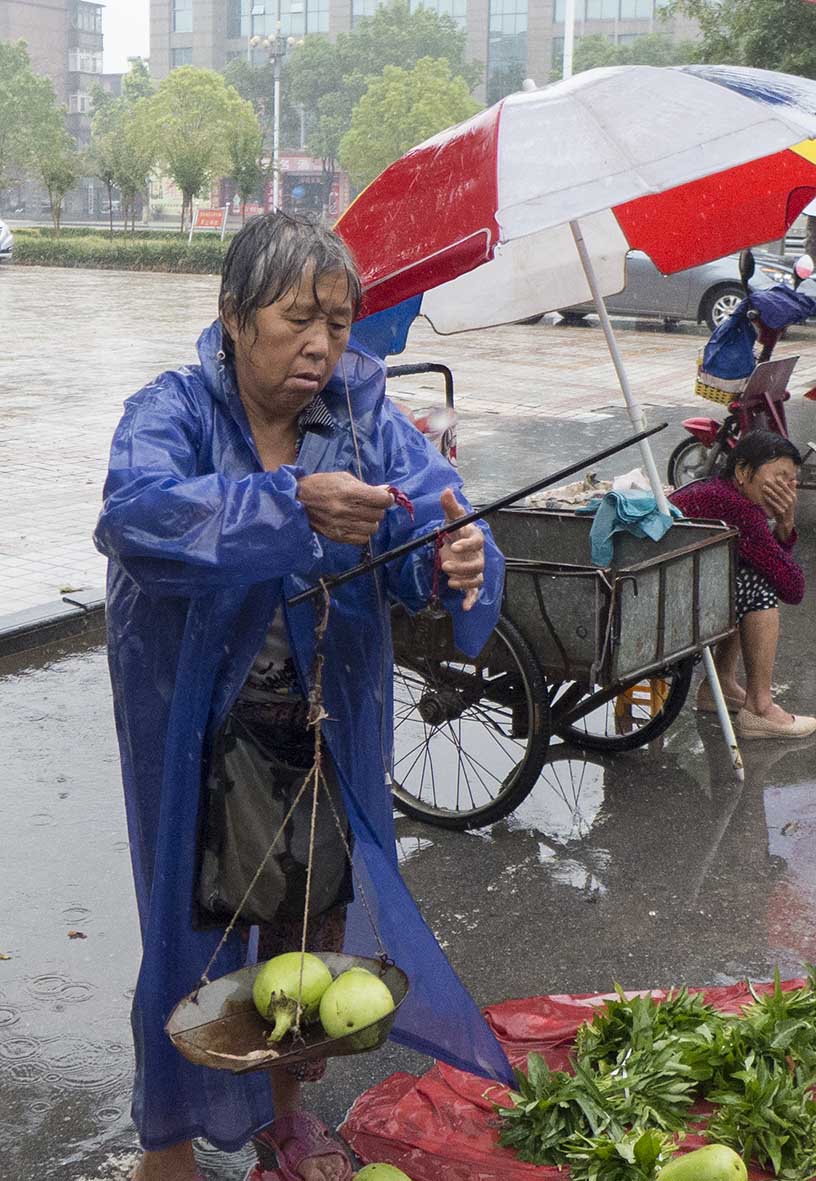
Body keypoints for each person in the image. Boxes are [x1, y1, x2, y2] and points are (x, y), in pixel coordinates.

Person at [94, 212, 510, 1181]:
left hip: (322, 708)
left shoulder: (364, 410)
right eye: (296, 319)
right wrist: (288, 504)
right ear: (234, 316)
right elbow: (135, 516)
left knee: (307, 924)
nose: (322, 343)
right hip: (199, 713)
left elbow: (433, 511)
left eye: (338, 319)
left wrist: (454, 556)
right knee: (190, 934)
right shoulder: (174, 409)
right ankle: (167, 1143)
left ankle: (287, 1111)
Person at [670, 429, 814, 739]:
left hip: (681, 587)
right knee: (759, 588)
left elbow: (776, 564)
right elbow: (792, 587)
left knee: (752, 572)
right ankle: (760, 708)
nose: (787, 488)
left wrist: (785, 527)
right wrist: (787, 523)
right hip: (673, 599)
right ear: (742, 471)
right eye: (778, 476)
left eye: (791, 480)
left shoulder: (725, 492)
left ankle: (719, 683)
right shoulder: (738, 508)